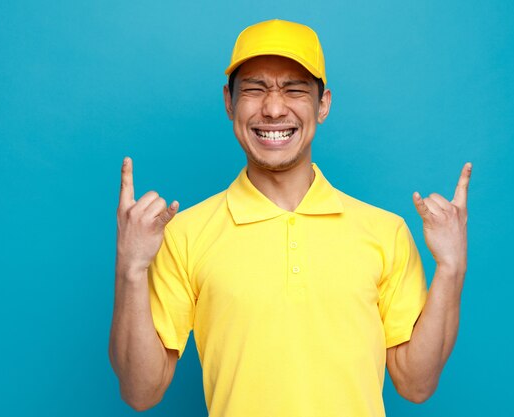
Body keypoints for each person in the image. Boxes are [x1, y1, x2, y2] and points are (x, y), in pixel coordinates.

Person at [109, 19, 471, 416]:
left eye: (295, 90)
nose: (274, 107)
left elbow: (416, 384)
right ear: (229, 103)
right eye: (254, 89)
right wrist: (130, 266)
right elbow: (141, 392)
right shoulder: (186, 234)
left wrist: (451, 268)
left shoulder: (385, 232)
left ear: (323, 104)